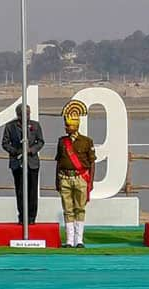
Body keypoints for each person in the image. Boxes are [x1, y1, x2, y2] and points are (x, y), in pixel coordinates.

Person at [55, 100, 95, 248]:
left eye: (68, 125)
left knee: (80, 208)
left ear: (74, 126)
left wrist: (90, 182)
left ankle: (79, 239)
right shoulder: (62, 141)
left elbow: (92, 163)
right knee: (67, 209)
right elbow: (58, 161)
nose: (66, 128)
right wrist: (56, 180)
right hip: (64, 178)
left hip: (80, 178)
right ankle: (69, 240)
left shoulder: (86, 141)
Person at [1, 103, 44, 224]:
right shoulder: (10, 126)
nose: (27, 116)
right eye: (24, 114)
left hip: (32, 163)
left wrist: (31, 150)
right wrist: (16, 151)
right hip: (17, 163)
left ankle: (31, 217)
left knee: (32, 191)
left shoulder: (35, 125)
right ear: (18, 114)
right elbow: (5, 143)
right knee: (20, 191)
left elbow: (40, 141)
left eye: (28, 113)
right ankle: (22, 216)